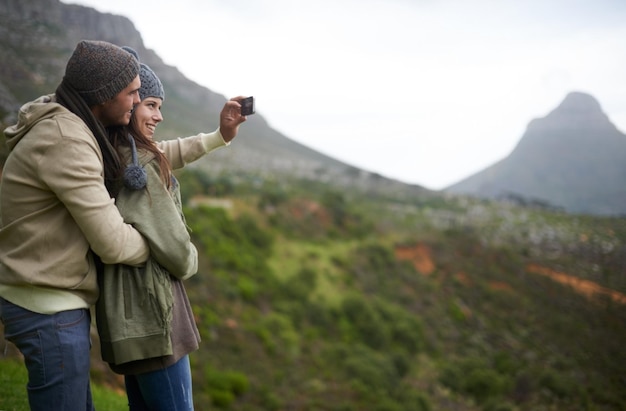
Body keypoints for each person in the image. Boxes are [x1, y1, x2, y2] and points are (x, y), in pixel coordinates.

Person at [0, 40, 152, 411]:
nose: (137, 101)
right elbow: (114, 244)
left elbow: (150, 154)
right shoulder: (68, 140)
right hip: (47, 304)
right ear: (104, 94)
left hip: (44, 293)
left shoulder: (70, 121)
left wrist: (216, 139)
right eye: (132, 92)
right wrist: (158, 244)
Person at [94, 48, 247, 411]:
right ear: (128, 107)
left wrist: (220, 134)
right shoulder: (141, 166)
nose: (159, 116)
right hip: (155, 317)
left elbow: (169, 151)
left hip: (127, 319)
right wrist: (192, 255)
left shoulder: (112, 153)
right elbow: (178, 256)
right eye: (150, 104)